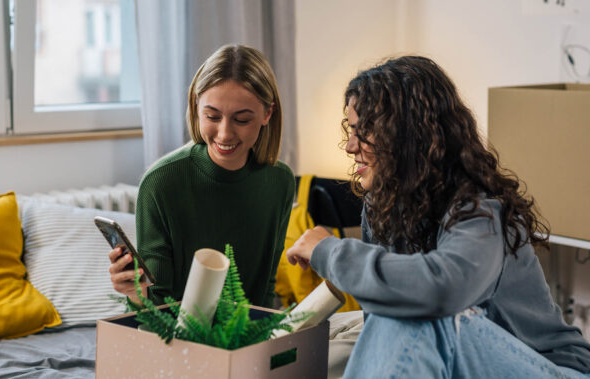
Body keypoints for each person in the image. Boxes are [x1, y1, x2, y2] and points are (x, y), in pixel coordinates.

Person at [286, 55, 590, 377]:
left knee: (420, 311)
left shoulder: (480, 209)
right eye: (352, 130)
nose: (350, 146)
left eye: (365, 132)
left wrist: (329, 250)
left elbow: (440, 290)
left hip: (554, 370)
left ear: (406, 135)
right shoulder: (381, 206)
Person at [109, 44, 294, 308]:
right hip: (173, 341)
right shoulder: (161, 182)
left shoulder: (280, 182)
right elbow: (155, 307)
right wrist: (134, 292)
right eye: (212, 116)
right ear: (196, 108)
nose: (224, 133)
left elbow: (264, 289)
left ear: (267, 114)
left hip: (247, 339)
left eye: (242, 119)